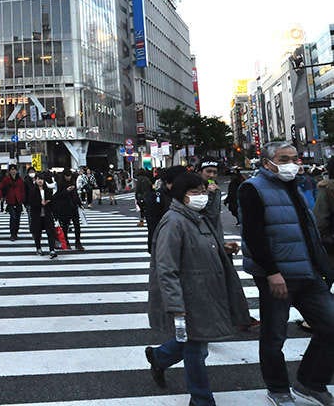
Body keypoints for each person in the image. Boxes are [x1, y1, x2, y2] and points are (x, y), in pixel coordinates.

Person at [238, 141, 334, 406]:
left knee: (331, 325)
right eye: (284, 158)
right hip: (278, 275)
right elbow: (253, 235)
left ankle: (311, 381)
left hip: (307, 271)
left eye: (294, 158)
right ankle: (278, 388)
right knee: (274, 334)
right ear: (267, 161)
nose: (292, 163)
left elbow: (308, 229)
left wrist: (321, 265)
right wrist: (271, 272)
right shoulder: (252, 188)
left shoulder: (298, 184)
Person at [145, 172, 251, 406]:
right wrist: (175, 306)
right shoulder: (173, 222)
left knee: (194, 343)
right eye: (195, 193)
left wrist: (221, 248)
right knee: (196, 349)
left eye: (203, 191)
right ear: (181, 196)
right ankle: (202, 399)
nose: (201, 196)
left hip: (204, 293)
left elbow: (196, 246)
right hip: (188, 297)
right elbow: (166, 267)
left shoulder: (195, 217)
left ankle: (159, 357)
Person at [143, 165, 187, 254]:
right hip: (164, 245)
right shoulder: (156, 198)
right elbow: (153, 225)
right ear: (168, 182)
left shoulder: (183, 195)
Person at [52, 169, 85, 251]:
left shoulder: (73, 182)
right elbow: (57, 196)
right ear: (64, 176)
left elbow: (75, 194)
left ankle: (78, 242)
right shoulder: (59, 183)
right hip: (64, 207)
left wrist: (80, 204)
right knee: (65, 226)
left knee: (77, 225)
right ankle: (66, 241)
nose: (68, 178)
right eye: (67, 176)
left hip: (73, 206)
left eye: (69, 176)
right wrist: (66, 191)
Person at [28, 172, 58, 258]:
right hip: (37, 215)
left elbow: (52, 202)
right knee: (37, 233)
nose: (40, 181)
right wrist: (40, 203)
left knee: (50, 232)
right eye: (38, 179)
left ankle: (52, 250)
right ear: (35, 180)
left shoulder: (48, 190)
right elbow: (31, 202)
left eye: (41, 179)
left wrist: (48, 202)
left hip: (47, 214)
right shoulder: (33, 190)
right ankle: (38, 248)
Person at [0, 165, 25, 241]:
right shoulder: (6, 179)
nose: (13, 171)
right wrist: (1, 196)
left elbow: (22, 190)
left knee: (18, 219)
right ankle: (12, 234)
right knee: (13, 218)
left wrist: (23, 198)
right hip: (10, 201)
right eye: (11, 170)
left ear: (16, 171)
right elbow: (0, 188)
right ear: (9, 171)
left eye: (14, 169)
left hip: (18, 201)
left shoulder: (20, 180)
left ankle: (16, 233)